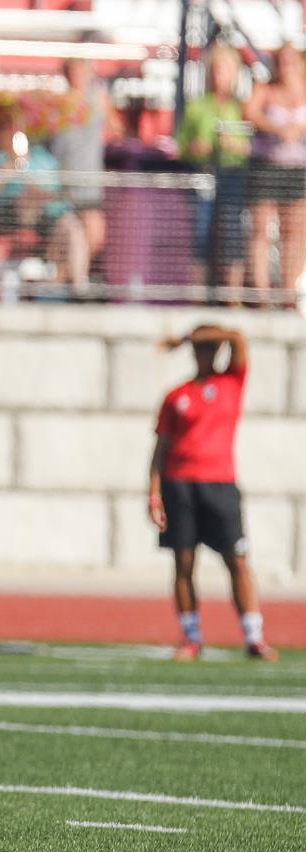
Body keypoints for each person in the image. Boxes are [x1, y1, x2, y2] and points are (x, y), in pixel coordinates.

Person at [148, 325, 275, 661]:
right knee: (184, 562)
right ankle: (191, 639)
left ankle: (254, 637)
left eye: (210, 347)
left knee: (237, 560)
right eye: (201, 348)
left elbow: (238, 337)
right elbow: (161, 447)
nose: (206, 353)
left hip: (220, 484)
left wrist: (185, 336)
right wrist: (153, 492)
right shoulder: (176, 395)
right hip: (179, 484)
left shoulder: (231, 382)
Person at [0, 102, 90, 298]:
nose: (8, 132)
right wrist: (10, 166)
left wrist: (35, 190)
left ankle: (79, 290)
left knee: (73, 229)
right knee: (23, 202)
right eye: (1, 127)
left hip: (44, 218)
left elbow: (55, 192)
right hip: (4, 218)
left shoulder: (42, 158)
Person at [177, 43, 251, 299]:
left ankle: (233, 295)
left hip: (232, 175)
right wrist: (196, 148)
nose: (221, 74)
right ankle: (197, 294)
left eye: (226, 68)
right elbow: (181, 145)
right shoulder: (198, 106)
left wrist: (234, 144)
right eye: (217, 68)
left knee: (232, 230)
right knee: (201, 230)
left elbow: (251, 144)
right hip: (204, 174)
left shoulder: (241, 106)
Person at [243, 44, 306, 307]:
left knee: (295, 231)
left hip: (297, 169)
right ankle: (262, 293)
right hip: (267, 166)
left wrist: (298, 128)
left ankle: (288, 291)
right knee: (261, 229)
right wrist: (278, 128)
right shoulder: (265, 89)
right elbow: (249, 112)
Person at [48, 58, 122, 269]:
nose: (76, 76)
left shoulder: (98, 99)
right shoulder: (57, 102)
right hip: (60, 181)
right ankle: (71, 279)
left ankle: (72, 277)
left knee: (94, 234)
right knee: (65, 234)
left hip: (89, 181)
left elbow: (116, 129)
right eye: (72, 71)